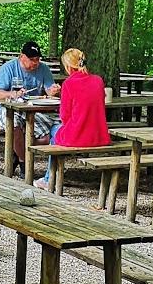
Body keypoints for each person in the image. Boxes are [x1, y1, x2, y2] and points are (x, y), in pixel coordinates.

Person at [34, 48, 109, 186]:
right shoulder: (98, 80)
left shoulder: (68, 84)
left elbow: (64, 116)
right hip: (99, 135)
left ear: (68, 66)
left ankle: (48, 179)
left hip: (78, 135)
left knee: (53, 131)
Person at [0, 41, 58, 173]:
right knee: (14, 126)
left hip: (32, 110)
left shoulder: (44, 69)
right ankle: (24, 162)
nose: (36, 63)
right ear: (22, 56)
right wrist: (13, 94)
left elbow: (49, 90)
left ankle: (17, 150)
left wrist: (54, 90)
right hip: (7, 109)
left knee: (46, 136)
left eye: (38, 59)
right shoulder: (8, 68)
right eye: (32, 59)